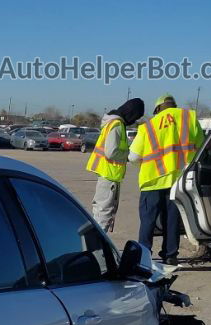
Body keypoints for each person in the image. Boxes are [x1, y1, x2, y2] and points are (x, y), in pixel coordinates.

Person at [129, 93, 204, 265]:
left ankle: (144, 257)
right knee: (172, 220)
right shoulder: (189, 118)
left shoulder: (148, 126)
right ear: (174, 105)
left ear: (157, 109)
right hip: (178, 182)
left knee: (148, 221)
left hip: (152, 181)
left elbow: (133, 157)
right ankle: (170, 256)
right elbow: (201, 147)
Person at [85, 97, 144, 232]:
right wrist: (128, 155)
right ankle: (98, 248)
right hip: (109, 175)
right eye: (135, 117)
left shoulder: (113, 123)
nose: (133, 121)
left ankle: (97, 246)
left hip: (107, 175)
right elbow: (111, 152)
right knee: (104, 214)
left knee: (101, 211)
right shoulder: (117, 125)